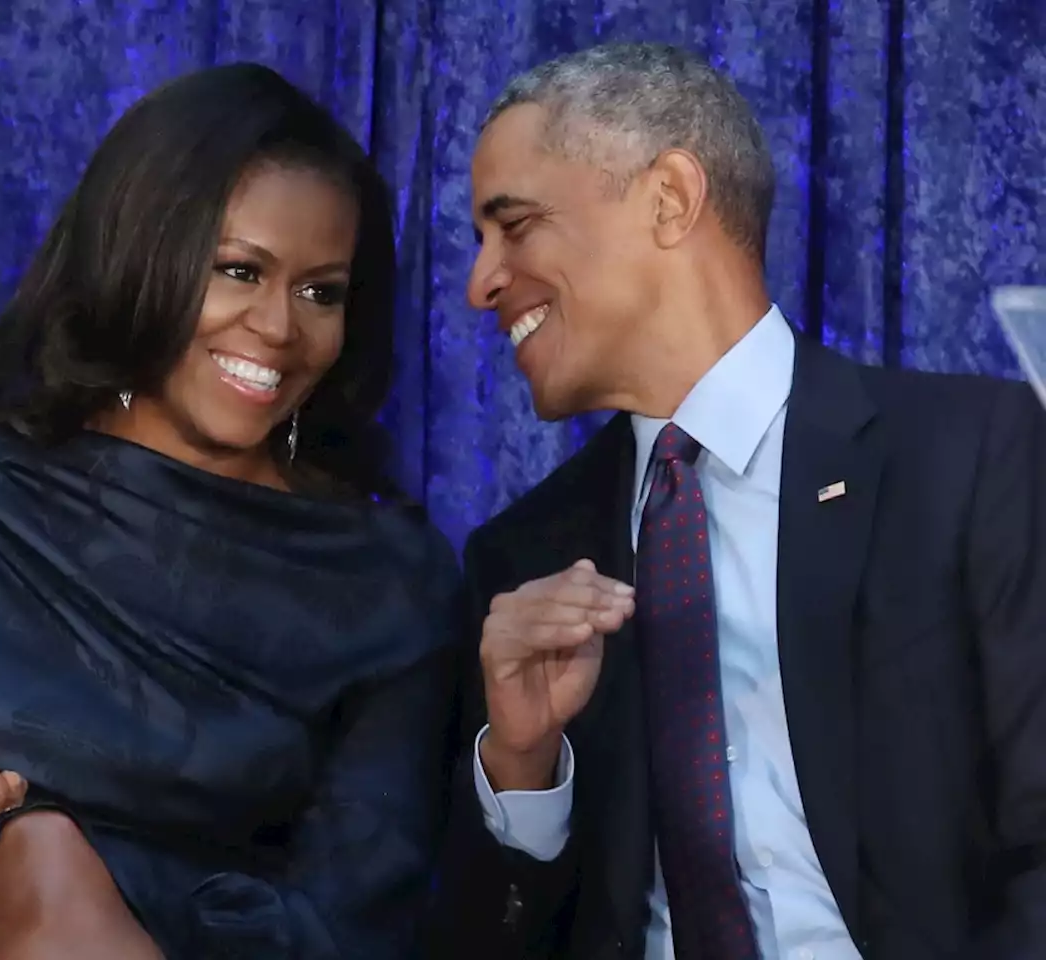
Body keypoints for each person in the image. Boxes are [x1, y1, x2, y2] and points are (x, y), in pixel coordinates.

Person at [0, 63, 461, 960]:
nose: (281, 327)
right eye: (239, 271)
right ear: (140, 256)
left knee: (42, 857)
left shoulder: (391, 580)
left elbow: (357, 926)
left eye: (321, 290)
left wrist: (81, 875)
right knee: (38, 860)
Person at [423, 42, 1046, 960]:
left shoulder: (973, 457)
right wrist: (522, 768)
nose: (480, 282)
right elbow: (489, 939)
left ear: (670, 198)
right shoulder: (523, 558)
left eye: (514, 226)